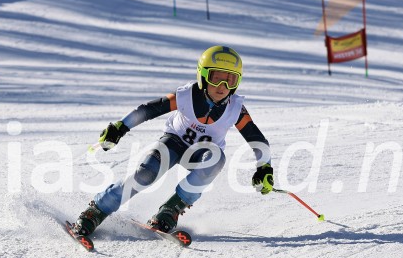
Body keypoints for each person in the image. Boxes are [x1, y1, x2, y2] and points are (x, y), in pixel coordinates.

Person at [72, 45, 274, 236]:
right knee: (145, 174)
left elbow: (257, 139)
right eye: (216, 78)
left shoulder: (235, 109)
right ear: (203, 76)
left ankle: (171, 209)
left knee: (216, 159)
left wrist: (264, 167)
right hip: (173, 143)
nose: (222, 87)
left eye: (229, 80)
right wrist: (121, 127)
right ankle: (97, 210)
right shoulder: (186, 96)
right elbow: (149, 109)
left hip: (202, 154)